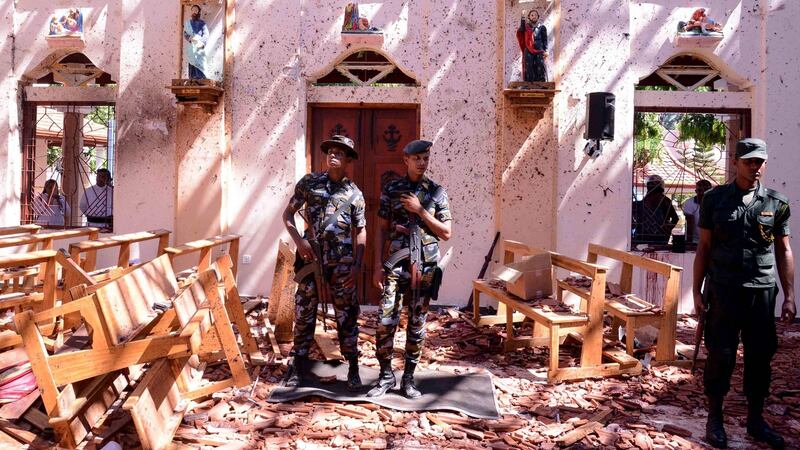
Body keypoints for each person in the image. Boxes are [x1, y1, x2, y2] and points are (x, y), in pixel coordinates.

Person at [694, 138, 795, 449]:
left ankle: (755, 420)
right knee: (721, 355)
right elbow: (705, 249)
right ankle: (715, 419)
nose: (755, 167)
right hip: (724, 290)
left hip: (761, 292)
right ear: (735, 162)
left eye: (759, 161)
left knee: (759, 357)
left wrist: (789, 295)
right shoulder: (714, 200)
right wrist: (697, 292)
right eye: (749, 161)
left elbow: (784, 251)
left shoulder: (776, 203)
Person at [367, 140, 452, 399]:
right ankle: (384, 376)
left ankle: (409, 379)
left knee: (417, 325)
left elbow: (446, 232)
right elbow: (380, 228)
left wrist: (421, 211)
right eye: (416, 158)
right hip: (394, 265)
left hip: (423, 269)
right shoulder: (392, 189)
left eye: (425, 157)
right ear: (405, 160)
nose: (422, 162)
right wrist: (376, 267)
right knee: (385, 322)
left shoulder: (437, 192)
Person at [282, 135, 366, 391]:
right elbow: (287, 215)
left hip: (342, 264)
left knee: (347, 315)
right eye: (330, 151)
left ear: (348, 159)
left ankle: (352, 366)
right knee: (304, 312)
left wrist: (357, 266)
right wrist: (300, 242)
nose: (333, 155)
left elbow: (361, 231)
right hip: (310, 259)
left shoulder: (354, 194)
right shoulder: (309, 183)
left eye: (339, 153)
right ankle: (298, 364)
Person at [632, 174, 679, 246]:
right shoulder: (640, 203)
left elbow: (675, 218)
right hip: (642, 237)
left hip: (659, 238)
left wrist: (668, 228)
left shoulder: (665, 201)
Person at [516, 10, 548, 82]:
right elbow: (521, 29)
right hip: (529, 49)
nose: (534, 16)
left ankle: (541, 82)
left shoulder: (542, 27)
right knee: (528, 65)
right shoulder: (526, 27)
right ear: (529, 17)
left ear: (538, 17)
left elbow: (545, 40)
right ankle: (529, 82)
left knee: (540, 65)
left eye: (535, 15)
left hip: (539, 49)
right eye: (532, 15)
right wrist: (523, 17)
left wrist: (546, 50)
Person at [183, 5, 209, 79]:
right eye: (193, 10)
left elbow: (206, 35)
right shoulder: (188, 23)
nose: (194, 12)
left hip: (199, 46)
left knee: (200, 61)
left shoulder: (202, 23)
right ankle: (192, 78)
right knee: (191, 61)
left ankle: (201, 77)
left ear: (199, 12)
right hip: (191, 46)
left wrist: (201, 43)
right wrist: (189, 38)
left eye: (196, 10)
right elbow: (185, 33)